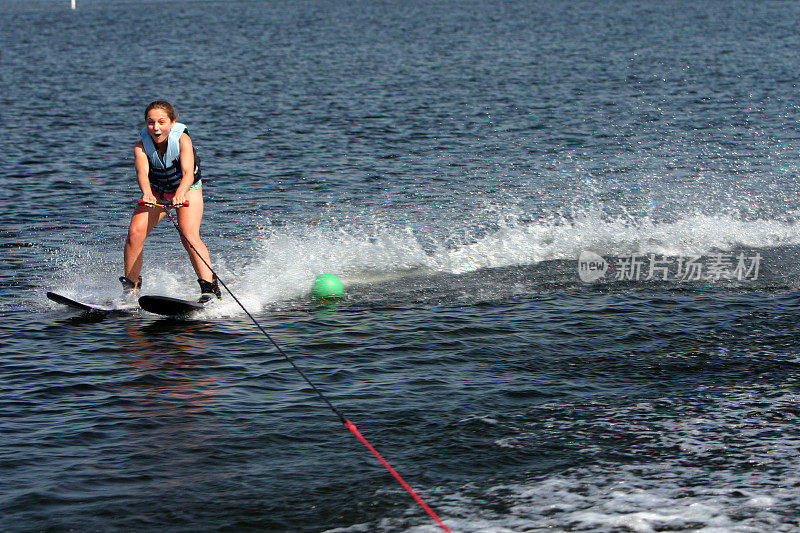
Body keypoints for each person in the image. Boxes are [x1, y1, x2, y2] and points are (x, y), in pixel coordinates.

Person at [121, 100, 221, 302]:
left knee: (189, 236)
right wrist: (147, 193)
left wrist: (180, 193)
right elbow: (142, 173)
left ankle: (209, 289)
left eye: (161, 122)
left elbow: (187, 174)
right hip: (157, 191)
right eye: (150, 122)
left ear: (172, 122)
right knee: (134, 233)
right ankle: (130, 291)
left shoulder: (183, 140)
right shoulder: (141, 147)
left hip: (187, 188)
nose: (156, 128)